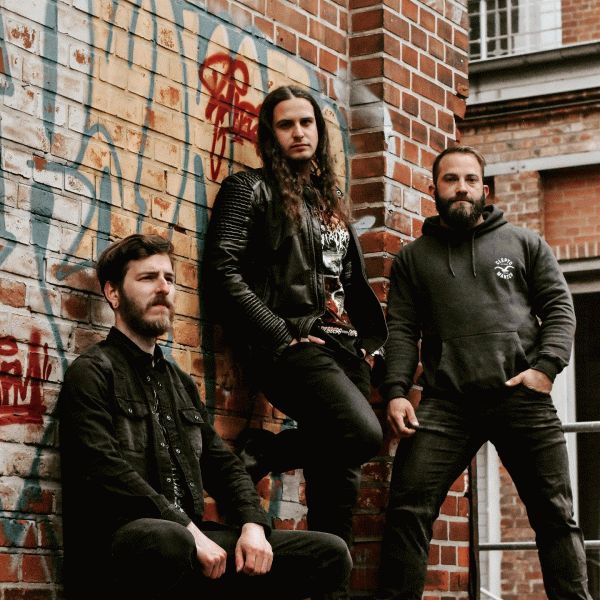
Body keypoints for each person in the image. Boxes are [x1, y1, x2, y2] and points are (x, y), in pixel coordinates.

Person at [59, 233, 352, 600]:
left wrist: (253, 523)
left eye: (169, 278)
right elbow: (104, 470)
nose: (163, 288)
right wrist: (187, 529)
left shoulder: (179, 382)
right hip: (122, 551)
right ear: (113, 294)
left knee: (329, 554)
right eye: (148, 278)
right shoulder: (92, 372)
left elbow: (223, 465)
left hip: (194, 545)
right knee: (168, 541)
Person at [375, 145, 591, 600]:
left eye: (470, 180)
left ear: (484, 190)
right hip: (447, 404)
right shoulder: (414, 259)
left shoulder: (525, 243)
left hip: (521, 397)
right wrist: (395, 390)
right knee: (407, 509)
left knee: (555, 515)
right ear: (434, 189)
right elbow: (401, 330)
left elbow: (560, 309)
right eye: (451, 179)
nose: (462, 188)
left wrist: (545, 369)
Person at [204, 85, 387, 556]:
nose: (299, 132)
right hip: (294, 344)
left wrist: (368, 345)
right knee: (363, 433)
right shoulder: (249, 189)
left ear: (319, 132)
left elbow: (347, 280)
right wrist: (281, 334)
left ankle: (330, 583)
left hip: (345, 349)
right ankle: (268, 451)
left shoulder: (330, 199)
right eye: (286, 124)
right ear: (270, 136)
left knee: (337, 494)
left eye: (307, 123)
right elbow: (222, 270)